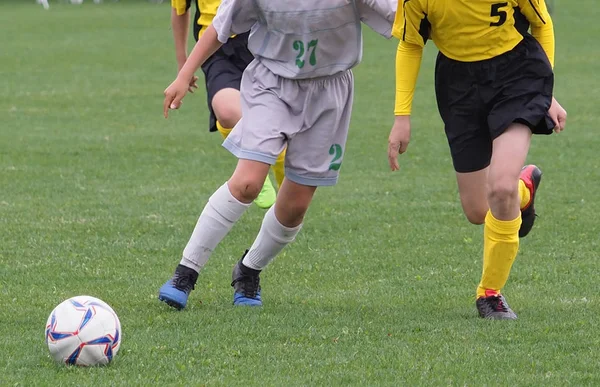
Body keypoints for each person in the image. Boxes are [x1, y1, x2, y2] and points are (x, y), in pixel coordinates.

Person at [159, 0, 396, 309]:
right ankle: (186, 272)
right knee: (248, 183)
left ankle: (248, 270)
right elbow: (220, 27)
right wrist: (184, 73)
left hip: (329, 92)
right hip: (271, 83)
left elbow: (410, 19)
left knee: (295, 207)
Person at [388, 0, 567, 320]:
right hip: (458, 86)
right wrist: (402, 116)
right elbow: (410, 44)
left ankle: (490, 294)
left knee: (499, 188)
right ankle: (523, 188)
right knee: (478, 210)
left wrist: (546, 92)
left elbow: (542, 25)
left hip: (518, 76)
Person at [170, 0, 286, 209]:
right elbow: (179, 10)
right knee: (226, 111)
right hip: (216, 47)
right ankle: (256, 159)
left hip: (263, 39)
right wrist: (183, 67)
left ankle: (276, 163)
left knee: (273, 120)